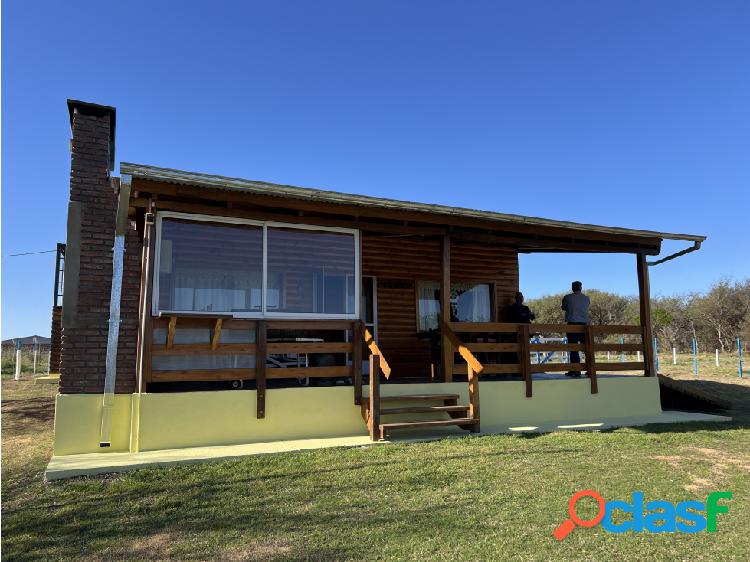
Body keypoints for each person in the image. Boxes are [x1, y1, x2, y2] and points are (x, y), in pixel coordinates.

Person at [561, 281, 590, 377]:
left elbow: (564, 308)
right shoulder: (586, 298)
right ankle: (590, 369)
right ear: (581, 288)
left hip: (572, 324)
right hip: (584, 325)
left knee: (573, 348)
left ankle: (575, 370)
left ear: (572, 288)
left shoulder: (567, 297)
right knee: (586, 347)